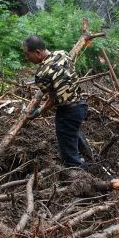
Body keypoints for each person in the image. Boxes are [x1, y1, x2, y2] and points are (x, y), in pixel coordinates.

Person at [23, 31, 95, 169]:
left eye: (27, 54)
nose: (27, 58)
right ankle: (88, 157)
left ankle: (82, 174)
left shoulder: (41, 74)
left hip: (68, 112)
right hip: (81, 105)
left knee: (69, 156)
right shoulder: (63, 54)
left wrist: (38, 112)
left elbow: (52, 100)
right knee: (72, 131)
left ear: (37, 52)